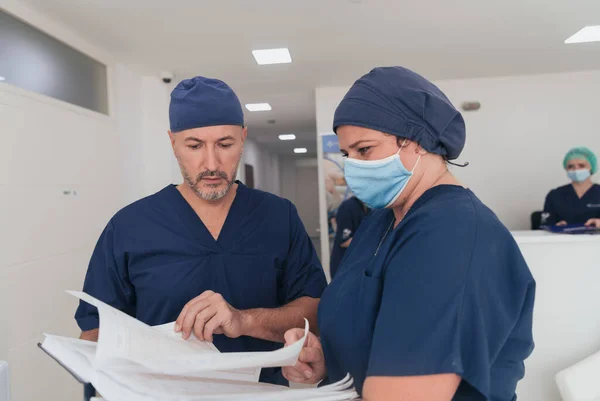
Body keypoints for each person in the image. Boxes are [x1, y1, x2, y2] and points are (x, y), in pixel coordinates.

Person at [282, 67, 535, 401]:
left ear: (416, 141)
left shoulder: (452, 233)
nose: (352, 167)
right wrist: (330, 360)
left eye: (364, 150)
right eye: (347, 155)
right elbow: (372, 325)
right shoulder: (381, 221)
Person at [75, 76, 327, 385]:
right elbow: (94, 330)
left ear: (243, 138)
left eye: (225, 144)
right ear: (173, 143)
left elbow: (313, 312)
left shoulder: (278, 217)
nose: (211, 163)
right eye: (194, 146)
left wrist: (244, 320)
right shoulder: (129, 227)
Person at [542, 147, 600, 228]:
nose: (576, 169)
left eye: (581, 165)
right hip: (563, 239)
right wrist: (555, 226)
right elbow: (545, 224)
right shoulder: (555, 195)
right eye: (571, 166)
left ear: (591, 168)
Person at [329, 196, 369, 279]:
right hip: (344, 265)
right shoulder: (348, 207)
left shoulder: (368, 208)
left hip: (359, 264)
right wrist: (370, 243)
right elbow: (344, 241)